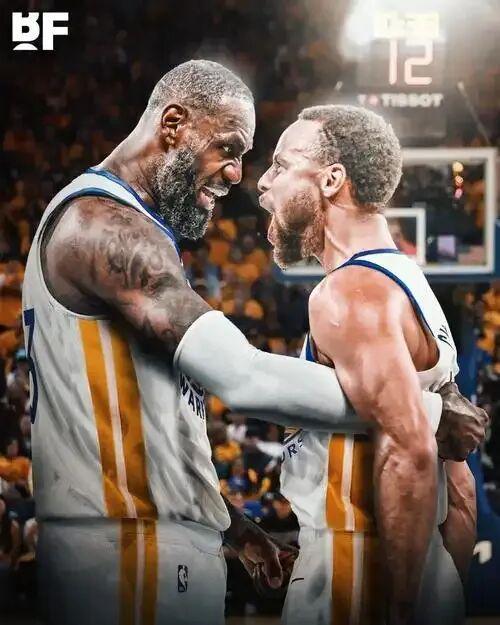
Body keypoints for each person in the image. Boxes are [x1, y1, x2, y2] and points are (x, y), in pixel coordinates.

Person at [22, 60, 484, 625]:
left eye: (268, 162)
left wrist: (232, 526)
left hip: (152, 543)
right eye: (229, 148)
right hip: (124, 545)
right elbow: (243, 377)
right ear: (174, 125)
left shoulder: (356, 289)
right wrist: (422, 411)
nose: (244, 176)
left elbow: (159, 421)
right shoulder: (102, 225)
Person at [257, 104, 489, 625]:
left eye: (281, 165)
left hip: (359, 568)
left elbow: (408, 450)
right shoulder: (410, 286)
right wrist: (438, 589)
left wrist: (400, 606)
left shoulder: (349, 292)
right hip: (421, 562)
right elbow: (461, 489)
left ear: (332, 179)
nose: (264, 183)